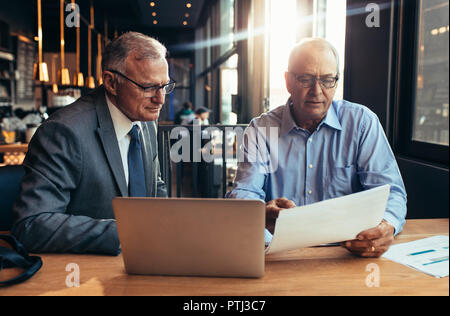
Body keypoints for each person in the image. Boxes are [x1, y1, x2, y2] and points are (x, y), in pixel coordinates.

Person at [226, 38, 407, 258]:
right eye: (306, 79)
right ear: (288, 81)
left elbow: (391, 192)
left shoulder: (362, 123)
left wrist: (387, 225)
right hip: (280, 254)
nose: (317, 91)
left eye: (328, 80)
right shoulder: (261, 129)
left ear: (336, 82)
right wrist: (259, 214)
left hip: (346, 255)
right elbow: (245, 192)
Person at [11, 32, 173, 255]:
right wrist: (128, 233)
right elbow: (31, 224)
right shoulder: (64, 132)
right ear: (111, 82)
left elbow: (155, 186)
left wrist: (174, 226)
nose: (160, 99)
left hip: (146, 258)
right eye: (148, 87)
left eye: (164, 85)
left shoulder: (145, 121)